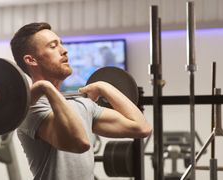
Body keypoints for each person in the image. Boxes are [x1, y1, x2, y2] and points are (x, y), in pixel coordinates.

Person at [10, 22, 152, 180]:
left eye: (61, 44)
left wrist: (104, 87)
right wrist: (45, 87)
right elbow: (79, 143)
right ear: (31, 60)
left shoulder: (82, 104)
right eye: (52, 46)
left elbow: (142, 128)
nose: (64, 51)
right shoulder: (29, 109)